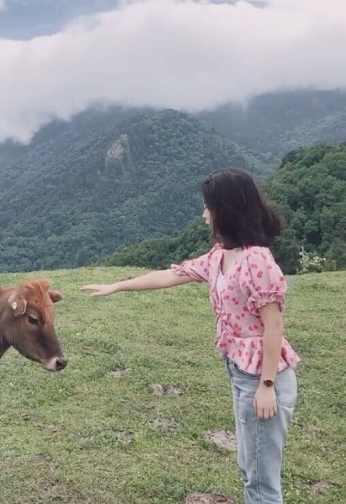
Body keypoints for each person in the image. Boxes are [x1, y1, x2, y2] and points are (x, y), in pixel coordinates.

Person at [81, 168, 299, 504]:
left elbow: (274, 326)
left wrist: (267, 386)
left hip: (263, 378)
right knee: (249, 468)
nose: (203, 215)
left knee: (261, 483)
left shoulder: (257, 261)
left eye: (208, 207)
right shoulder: (221, 255)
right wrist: (118, 286)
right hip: (241, 373)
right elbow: (171, 275)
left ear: (226, 211)